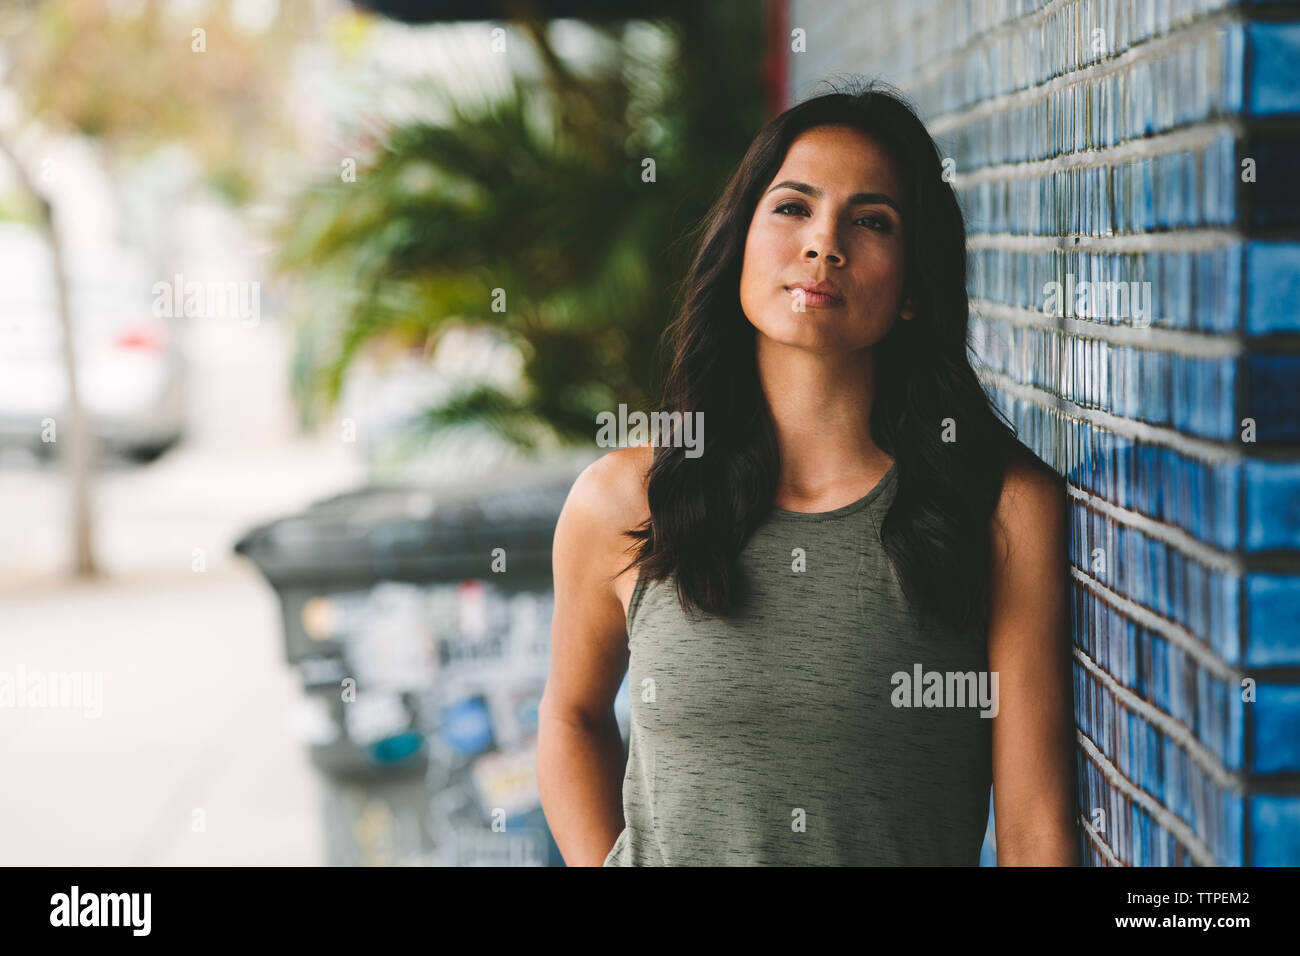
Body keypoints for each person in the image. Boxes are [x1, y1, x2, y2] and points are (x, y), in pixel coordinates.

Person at [536, 81, 1078, 866]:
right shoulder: (623, 499)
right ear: (740, 246)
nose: (825, 243)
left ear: (913, 290)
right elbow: (571, 717)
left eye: (871, 221)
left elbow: (1033, 835)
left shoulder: (998, 509)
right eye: (793, 207)